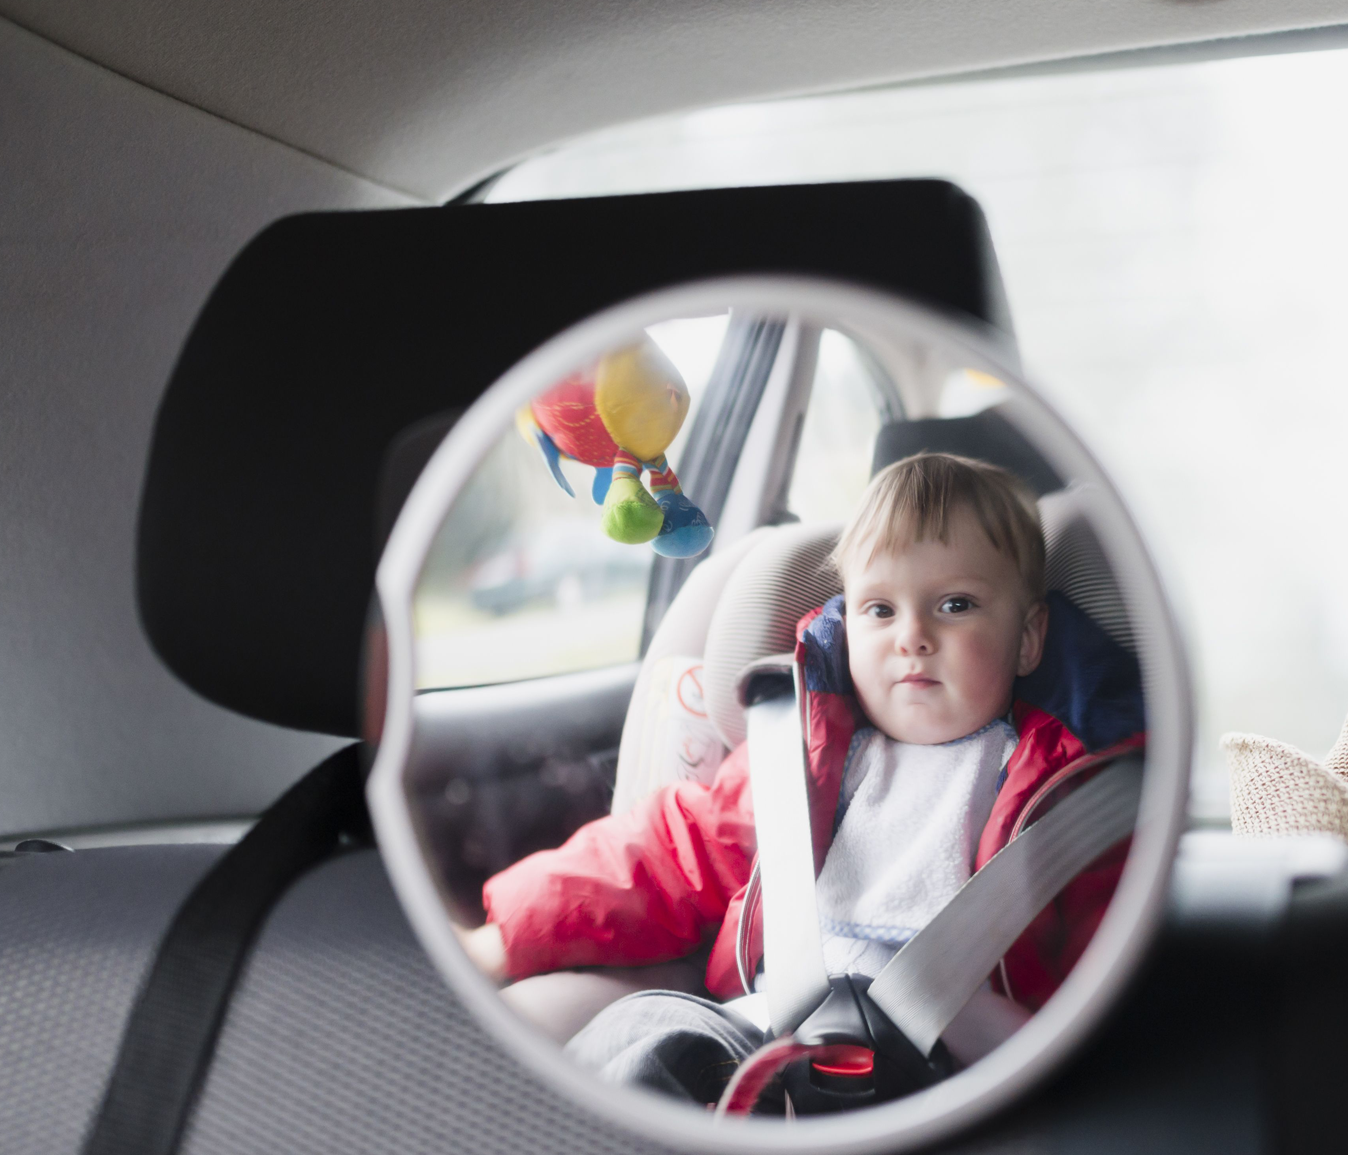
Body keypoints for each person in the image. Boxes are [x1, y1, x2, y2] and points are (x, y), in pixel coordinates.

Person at [456, 452, 1145, 1104]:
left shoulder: (1062, 789)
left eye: (955, 604)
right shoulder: (804, 757)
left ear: (1027, 638)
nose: (913, 636)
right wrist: (507, 935)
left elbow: (1108, 955)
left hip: (956, 1067)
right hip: (769, 1031)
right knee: (635, 1045)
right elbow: (670, 853)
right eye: (880, 609)